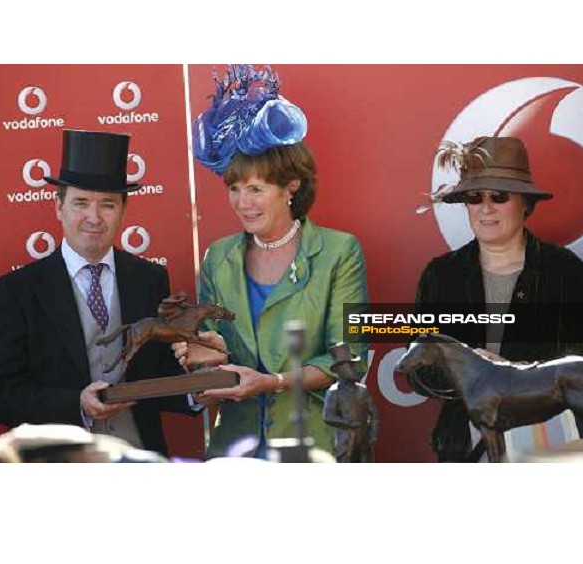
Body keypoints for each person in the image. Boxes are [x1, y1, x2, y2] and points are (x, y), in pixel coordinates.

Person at [173, 64, 369, 458]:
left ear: (290, 187)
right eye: (235, 188)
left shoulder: (340, 251)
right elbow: (215, 363)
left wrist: (271, 381)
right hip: (236, 450)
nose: (243, 203)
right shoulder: (217, 257)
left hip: (316, 446)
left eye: (256, 189)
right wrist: (203, 353)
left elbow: (351, 359)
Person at [0, 130, 198, 457]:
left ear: (124, 209)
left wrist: (198, 392)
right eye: (81, 202)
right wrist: (75, 404)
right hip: (57, 470)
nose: (94, 218)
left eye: (107, 204)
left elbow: (159, 377)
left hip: (140, 462)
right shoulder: (15, 292)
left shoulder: (150, 279)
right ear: (59, 206)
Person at [411, 135, 583, 462]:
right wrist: (466, 368)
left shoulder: (565, 272)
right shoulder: (441, 275)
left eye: (499, 196)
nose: (486, 208)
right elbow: (417, 368)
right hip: (466, 442)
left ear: (525, 204)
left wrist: (520, 376)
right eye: (475, 197)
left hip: (551, 444)